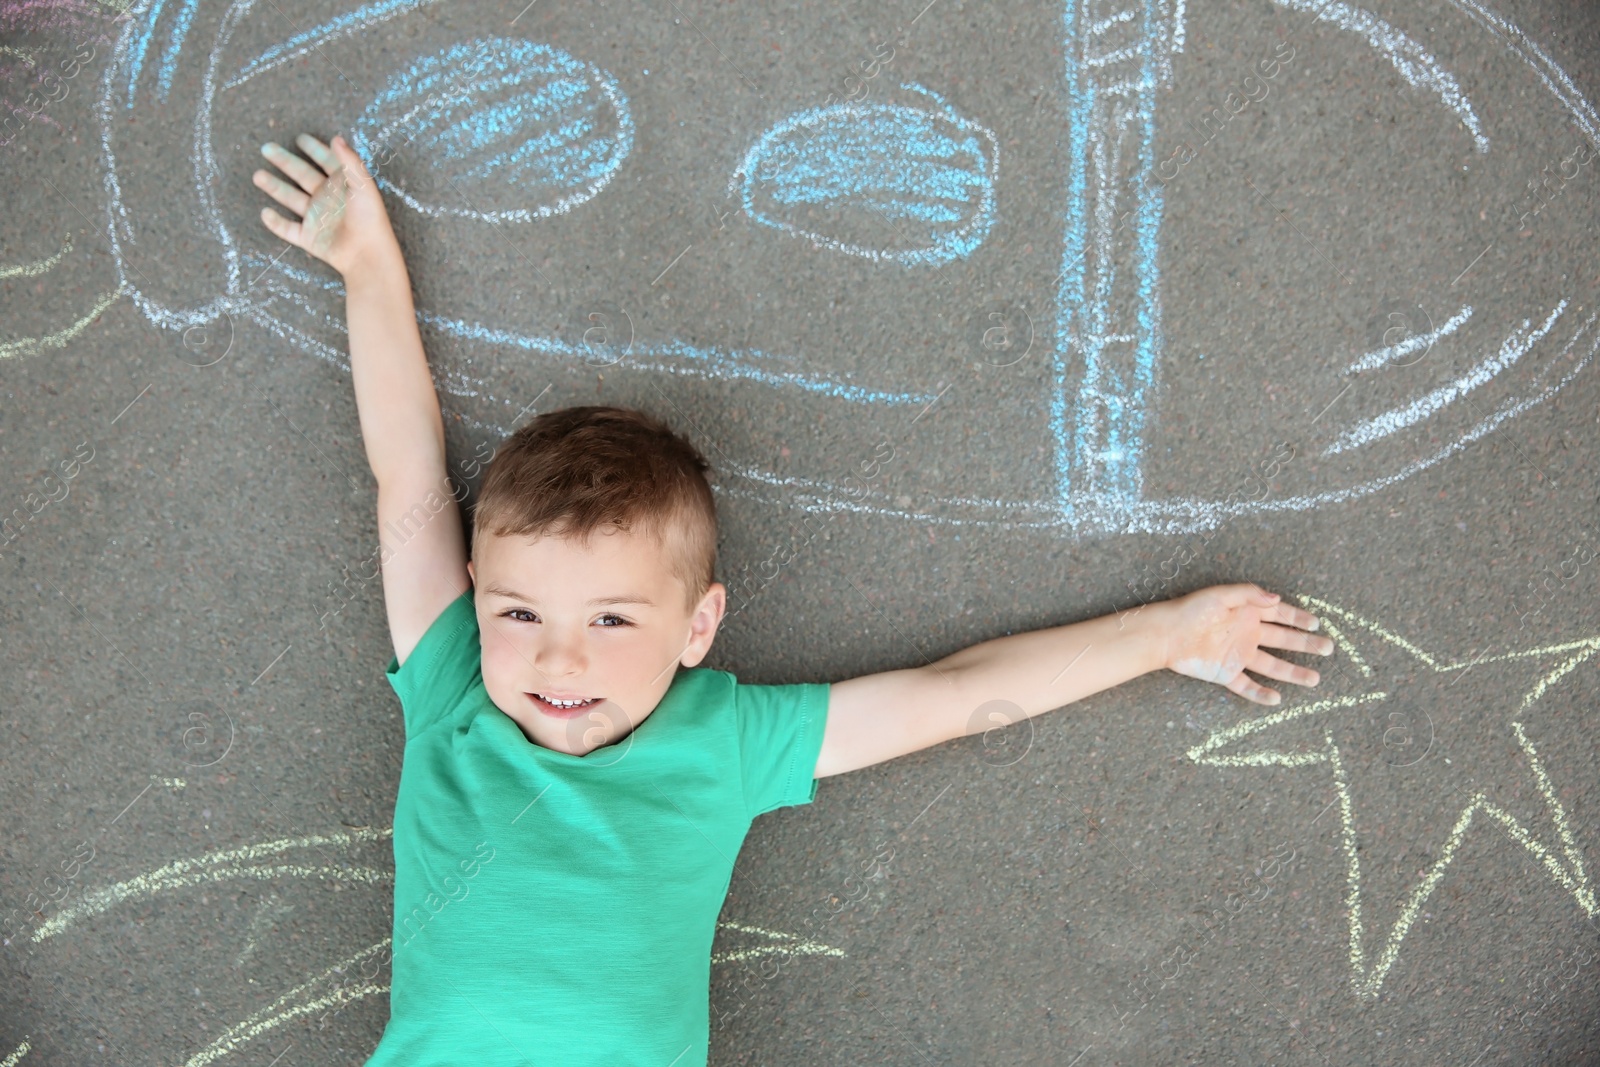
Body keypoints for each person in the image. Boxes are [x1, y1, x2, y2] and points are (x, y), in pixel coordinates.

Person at [253, 132, 1333, 1065]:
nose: (556, 660)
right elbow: (406, 469)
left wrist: (1164, 634)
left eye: (612, 619)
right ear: (478, 596)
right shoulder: (453, 689)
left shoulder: (723, 740)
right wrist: (366, 268)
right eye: (520, 613)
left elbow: (947, 696)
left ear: (699, 626)